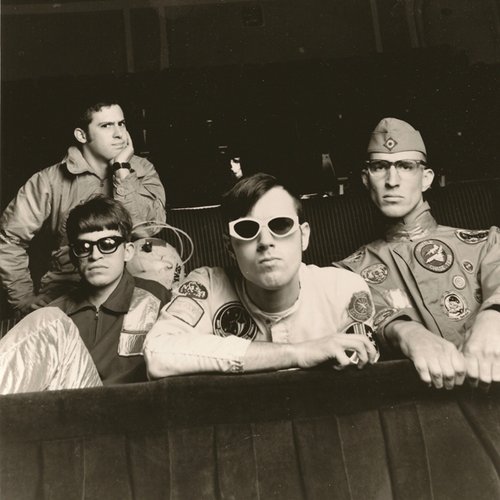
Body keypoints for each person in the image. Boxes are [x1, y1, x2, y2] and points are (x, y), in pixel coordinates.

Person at [144, 173, 379, 377]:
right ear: (229, 247)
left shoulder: (343, 290)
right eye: (247, 229)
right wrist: (298, 352)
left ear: (304, 236)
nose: (265, 242)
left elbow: (359, 367)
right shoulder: (207, 286)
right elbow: (158, 353)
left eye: (281, 225)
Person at [335, 117, 500, 390]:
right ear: (366, 179)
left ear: (426, 178)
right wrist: (406, 332)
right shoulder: (349, 271)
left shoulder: (485, 243)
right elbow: (357, 319)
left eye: (405, 166)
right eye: (380, 167)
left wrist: (493, 316)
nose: (392, 181)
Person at [0, 98, 166, 316]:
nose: (120, 134)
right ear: (82, 135)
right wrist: (23, 298)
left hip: (134, 283)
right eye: (106, 126)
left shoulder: (142, 170)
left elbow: (148, 229)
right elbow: (10, 239)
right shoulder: (48, 181)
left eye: (121, 123)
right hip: (69, 288)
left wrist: (123, 171)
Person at [0, 196, 170, 394]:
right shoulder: (57, 315)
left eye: (108, 244)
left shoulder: (156, 298)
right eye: (83, 247)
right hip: (72, 405)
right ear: (74, 257)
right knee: (50, 319)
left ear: (128, 251)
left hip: (135, 406)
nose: (95, 255)